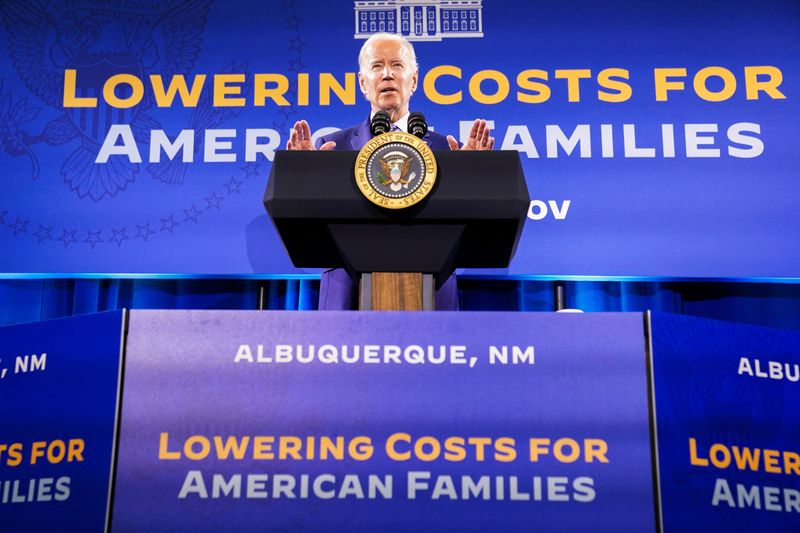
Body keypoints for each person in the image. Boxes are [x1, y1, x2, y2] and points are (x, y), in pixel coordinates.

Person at [286, 33, 494, 310]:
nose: (387, 74)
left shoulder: (447, 149)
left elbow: (471, 230)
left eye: (397, 65)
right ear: (362, 82)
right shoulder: (332, 148)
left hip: (431, 287)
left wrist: (471, 178)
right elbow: (309, 230)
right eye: (376, 66)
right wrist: (305, 178)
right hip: (348, 291)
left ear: (414, 80)